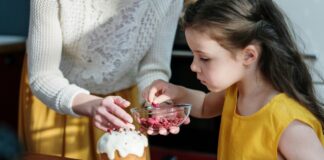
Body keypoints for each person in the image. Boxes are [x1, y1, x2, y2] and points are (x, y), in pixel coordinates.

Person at [143, 0, 324, 159]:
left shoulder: (290, 126)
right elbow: (204, 105)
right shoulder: (234, 93)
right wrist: (176, 92)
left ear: (248, 56)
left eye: (204, 58)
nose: (193, 66)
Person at [18, 0, 183, 159]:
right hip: (59, 99)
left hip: (121, 106)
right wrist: (90, 105)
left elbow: (153, 68)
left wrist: (158, 103)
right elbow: (43, 76)